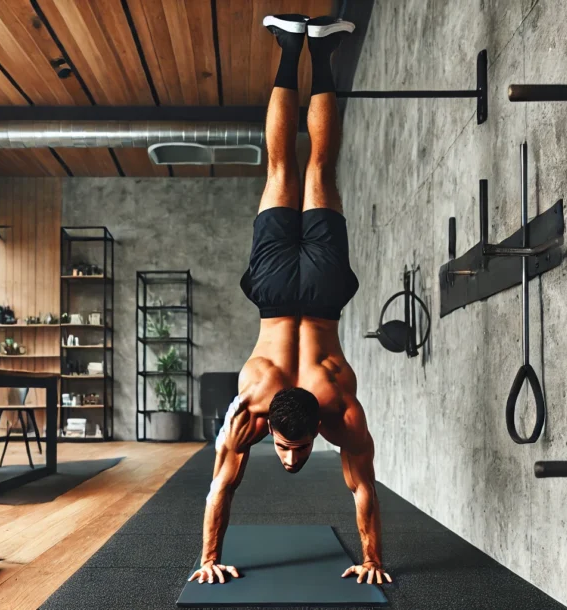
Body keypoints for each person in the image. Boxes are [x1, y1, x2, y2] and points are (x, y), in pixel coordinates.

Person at [188, 13, 390, 587]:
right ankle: (310, 49)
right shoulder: (333, 408)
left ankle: (297, 47)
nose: (291, 459)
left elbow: (222, 486)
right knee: (310, 165)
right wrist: (206, 560)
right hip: (305, 294)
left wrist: (373, 558)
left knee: (291, 166)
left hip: (295, 294)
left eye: (291, 452)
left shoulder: (251, 412)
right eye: (290, 450)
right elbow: (363, 487)